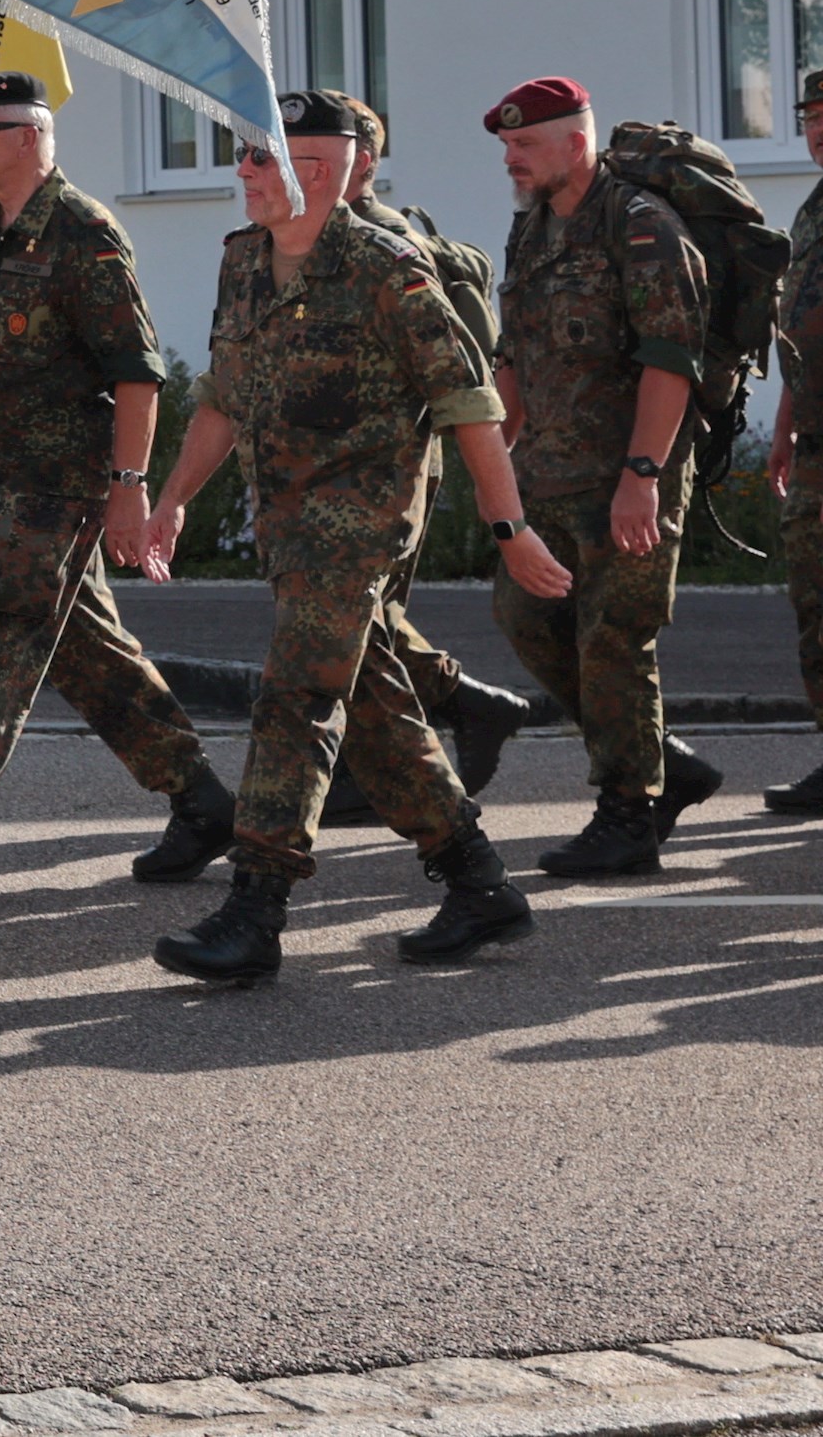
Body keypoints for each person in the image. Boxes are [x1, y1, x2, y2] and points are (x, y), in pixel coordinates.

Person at [120, 95, 563, 981]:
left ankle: (256, 908)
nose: (240, 172)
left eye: (256, 158)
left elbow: (468, 403)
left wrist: (508, 528)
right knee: (373, 704)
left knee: (295, 701)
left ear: (313, 169)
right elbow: (223, 396)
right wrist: (168, 501)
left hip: (362, 523)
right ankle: (479, 882)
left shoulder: (386, 268)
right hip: (288, 523)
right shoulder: (245, 262)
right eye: (242, 156)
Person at [0, 70, 229, 888]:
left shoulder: (84, 231)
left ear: (30, 135)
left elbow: (137, 374)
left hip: (62, 485)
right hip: (6, 482)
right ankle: (203, 798)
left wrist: (130, 485)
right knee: (87, 653)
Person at [483, 76, 724, 873]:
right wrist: (501, 453)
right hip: (547, 475)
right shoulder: (531, 230)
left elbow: (671, 359)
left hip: (626, 479)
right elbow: (512, 350)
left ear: (574, 144)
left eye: (524, 144)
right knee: (524, 616)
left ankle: (627, 817)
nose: (510, 159)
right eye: (506, 146)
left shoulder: (642, 225)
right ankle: (662, 762)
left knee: (613, 642)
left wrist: (643, 475)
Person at [320, 96, 550, 818]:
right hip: (330, 465)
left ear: (363, 162)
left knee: (349, 618)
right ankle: (462, 706)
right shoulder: (317, 235)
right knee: (360, 618)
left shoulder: (385, 240)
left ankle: (425, 767)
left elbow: (455, 379)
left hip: (384, 465)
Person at [769, 70, 823, 818]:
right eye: (810, 116)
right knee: (814, 600)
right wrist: (782, 430)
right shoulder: (811, 213)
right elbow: (800, 334)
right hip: (813, 443)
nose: (818, 130)